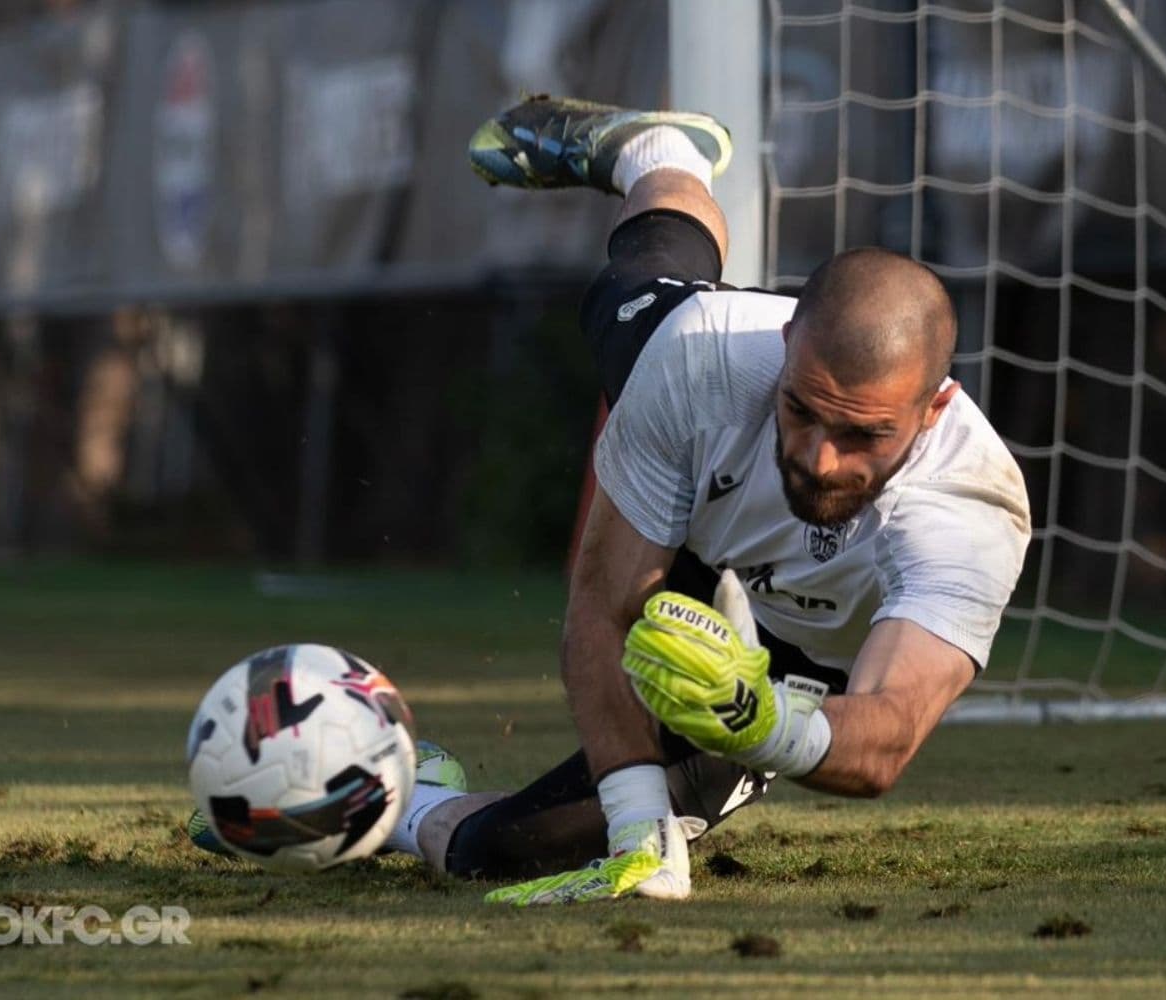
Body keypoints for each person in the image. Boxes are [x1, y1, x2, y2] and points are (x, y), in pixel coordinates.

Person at [193, 96, 1032, 905]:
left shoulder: (970, 509)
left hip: (798, 668)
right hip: (699, 484)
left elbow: (884, 737)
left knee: (506, 851)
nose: (818, 457)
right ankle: (659, 153)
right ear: (781, 343)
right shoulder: (702, 359)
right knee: (633, 294)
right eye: (803, 409)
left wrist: (761, 721)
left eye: (863, 436)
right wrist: (638, 835)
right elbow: (600, 609)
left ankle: (396, 797)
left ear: (935, 410)